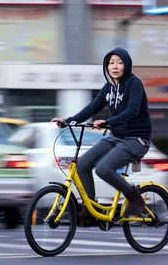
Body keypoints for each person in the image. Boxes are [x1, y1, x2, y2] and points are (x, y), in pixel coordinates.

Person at [51, 48, 152, 217]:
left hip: (136, 139)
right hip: (116, 136)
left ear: (126, 65)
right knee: (82, 165)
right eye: (111, 63)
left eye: (120, 63)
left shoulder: (134, 84)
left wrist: (108, 122)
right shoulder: (108, 88)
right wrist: (68, 121)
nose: (115, 66)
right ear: (106, 66)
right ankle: (91, 209)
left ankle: (135, 199)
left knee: (103, 169)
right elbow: (91, 108)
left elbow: (132, 111)